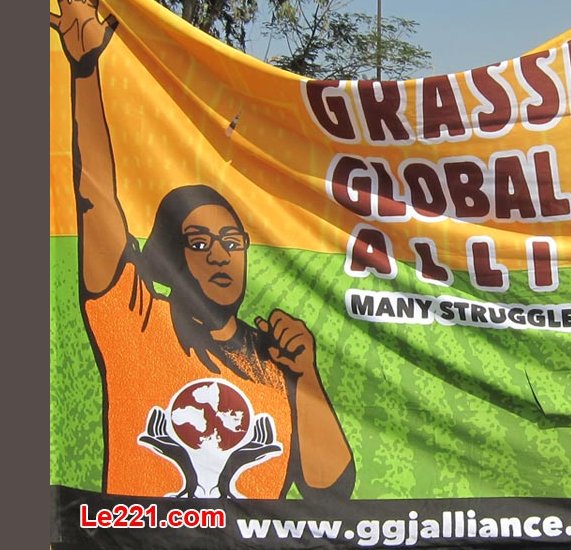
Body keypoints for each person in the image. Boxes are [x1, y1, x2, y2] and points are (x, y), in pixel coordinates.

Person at [50, 0, 354, 500]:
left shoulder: (274, 358)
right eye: (199, 243)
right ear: (170, 254)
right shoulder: (136, 324)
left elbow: (331, 494)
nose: (220, 255)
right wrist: (85, 70)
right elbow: (94, 198)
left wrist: (305, 378)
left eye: (232, 242)